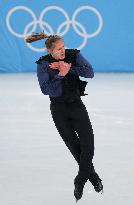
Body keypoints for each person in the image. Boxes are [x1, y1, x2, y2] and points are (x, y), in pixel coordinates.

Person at [26, 33, 103, 202]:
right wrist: (61, 75)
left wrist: (68, 68)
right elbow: (46, 90)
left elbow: (90, 72)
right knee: (75, 148)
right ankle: (93, 176)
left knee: (88, 146)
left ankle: (80, 180)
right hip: (58, 110)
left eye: (63, 47)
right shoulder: (43, 64)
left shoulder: (73, 55)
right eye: (59, 49)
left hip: (77, 106)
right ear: (50, 50)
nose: (63, 50)